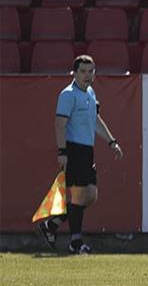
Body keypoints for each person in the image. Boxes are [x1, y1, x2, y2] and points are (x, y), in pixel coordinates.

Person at [36, 56, 123, 254]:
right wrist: (62, 152)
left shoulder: (91, 93)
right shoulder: (68, 95)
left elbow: (96, 121)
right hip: (74, 149)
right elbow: (59, 124)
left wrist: (112, 141)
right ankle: (76, 243)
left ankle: (51, 225)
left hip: (87, 151)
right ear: (74, 73)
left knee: (89, 196)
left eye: (91, 71)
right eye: (83, 71)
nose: (87, 75)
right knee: (79, 195)